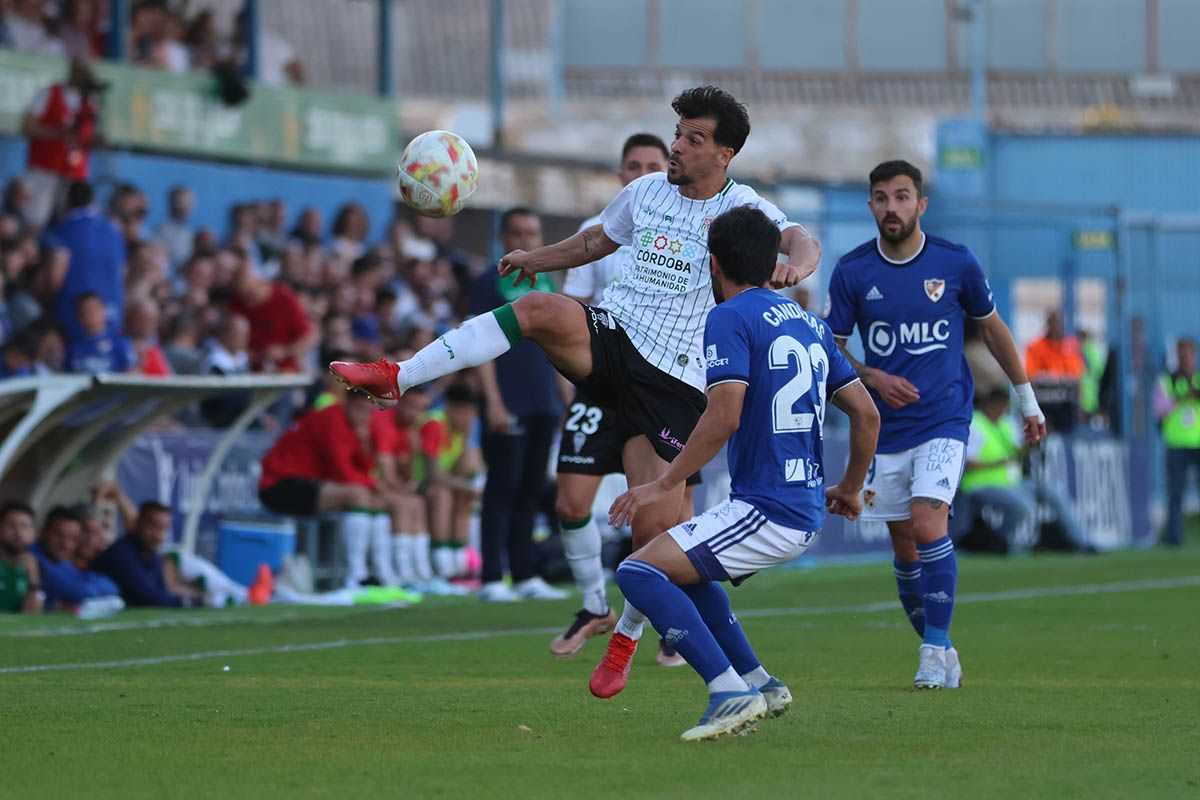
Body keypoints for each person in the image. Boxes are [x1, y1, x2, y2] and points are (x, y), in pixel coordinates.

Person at [331, 86, 821, 684]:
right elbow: (596, 242)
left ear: (725, 153)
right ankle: (397, 375)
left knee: (653, 540)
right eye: (679, 132)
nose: (678, 146)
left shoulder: (746, 207)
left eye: (695, 139)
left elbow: (801, 238)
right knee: (538, 309)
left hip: (676, 382)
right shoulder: (644, 192)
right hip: (614, 335)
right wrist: (539, 258)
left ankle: (626, 635)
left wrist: (799, 265)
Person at [604, 206, 879, 739]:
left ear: (712, 263)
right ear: (769, 260)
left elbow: (723, 414)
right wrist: (850, 487)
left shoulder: (730, 317)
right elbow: (867, 414)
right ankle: (760, 682)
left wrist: (662, 482)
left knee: (637, 571)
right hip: (794, 505)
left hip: (768, 507)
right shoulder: (810, 324)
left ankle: (728, 691)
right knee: (688, 572)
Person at [826, 159, 1045, 689]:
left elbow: (993, 331)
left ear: (920, 205)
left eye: (902, 197)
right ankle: (942, 645)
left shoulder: (955, 262)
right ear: (871, 205)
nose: (891, 207)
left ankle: (931, 649)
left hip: (946, 419)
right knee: (904, 547)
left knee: (928, 526)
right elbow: (830, 351)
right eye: (881, 197)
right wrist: (873, 376)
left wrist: (1028, 401)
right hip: (886, 431)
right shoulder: (853, 271)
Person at [552, 132, 687, 655]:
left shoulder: (688, 229)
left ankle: (669, 616)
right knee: (569, 501)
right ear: (621, 175)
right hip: (602, 382)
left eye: (654, 164)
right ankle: (594, 604)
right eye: (634, 165)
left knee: (669, 515)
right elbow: (574, 313)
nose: (644, 173)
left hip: (663, 387)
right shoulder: (594, 234)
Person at [469, 208, 568, 603]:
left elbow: (561, 342)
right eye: (517, 231)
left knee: (531, 488)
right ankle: (492, 576)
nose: (525, 238)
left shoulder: (547, 282)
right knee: (502, 488)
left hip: (542, 399)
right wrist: (492, 399)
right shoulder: (487, 283)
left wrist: (565, 391)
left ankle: (525, 573)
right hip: (506, 399)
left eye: (532, 231)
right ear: (503, 237)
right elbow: (476, 346)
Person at [957, 388, 1088, 552]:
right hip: (980, 485)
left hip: (1011, 483)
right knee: (1023, 506)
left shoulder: (1006, 423)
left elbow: (1016, 453)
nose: (1002, 410)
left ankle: (1080, 542)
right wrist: (999, 463)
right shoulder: (975, 424)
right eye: (999, 406)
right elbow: (966, 464)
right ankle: (999, 542)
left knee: (1055, 491)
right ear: (988, 405)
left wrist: (1032, 444)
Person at [413, 384, 483, 585]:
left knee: (463, 495)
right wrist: (466, 486)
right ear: (450, 408)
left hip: (444, 483)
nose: (468, 418)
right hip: (418, 483)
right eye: (464, 413)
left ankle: (460, 564)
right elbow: (433, 474)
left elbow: (467, 470)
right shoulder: (435, 424)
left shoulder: (460, 431)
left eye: (471, 414)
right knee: (443, 494)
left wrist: (468, 439)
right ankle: (442, 566)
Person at [21, 57, 102, 227]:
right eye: (83, 71)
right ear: (73, 70)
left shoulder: (91, 102)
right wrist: (56, 133)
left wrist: (95, 140)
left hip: (74, 173)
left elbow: (87, 136)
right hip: (45, 168)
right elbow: (27, 127)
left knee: (69, 223)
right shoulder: (51, 93)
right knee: (35, 221)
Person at [49, 181, 126, 344]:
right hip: (111, 313)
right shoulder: (113, 230)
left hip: (72, 314)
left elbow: (55, 276)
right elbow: (122, 272)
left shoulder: (64, 229)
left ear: (67, 201)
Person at [93, 501, 201, 607]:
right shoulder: (121, 554)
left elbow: (162, 592)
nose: (158, 536)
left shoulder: (153, 555)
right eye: (153, 527)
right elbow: (148, 597)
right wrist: (186, 601)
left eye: (163, 529)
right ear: (138, 523)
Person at [30, 505, 123, 611]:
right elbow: (77, 593)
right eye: (59, 535)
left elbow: (112, 587)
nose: (65, 544)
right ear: (44, 532)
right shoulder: (33, 557)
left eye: (72, 538)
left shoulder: (61, 561)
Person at [1155, 337, 1200, 547]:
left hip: (1198, 442)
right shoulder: (1167, 380)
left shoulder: (1198, 379)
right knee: (1176, 492)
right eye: (1182, 354)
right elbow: (1160, 410)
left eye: (1188, 354)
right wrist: (1182, 397)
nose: (1185, 358)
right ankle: (1173, 536)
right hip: (1176, 443)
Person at [1025, 309, 1085, 432]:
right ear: (1047, 324)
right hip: (1043, 404)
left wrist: (1080, 404)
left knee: (1068, 434)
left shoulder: (1070, 346)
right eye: (1054, 323)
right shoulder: (1035, 347)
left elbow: (1076, 377)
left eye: (1059, 324)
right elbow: (1031, 376)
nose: (1057, 327)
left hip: (1066, 404)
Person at [64, 291, 136, 374]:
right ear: (79, 317)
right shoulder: (73, 349)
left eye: (96, 309)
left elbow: (131, 374)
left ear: (104, 311)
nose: (93, 314)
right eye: (87, 311)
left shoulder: (120, 344)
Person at [0, 501, 44, 613]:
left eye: (24, 527)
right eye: (11, 525)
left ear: (33, 533)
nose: (18, 532)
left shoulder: (34, 564)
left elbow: (31, 616)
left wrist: (33, 579)